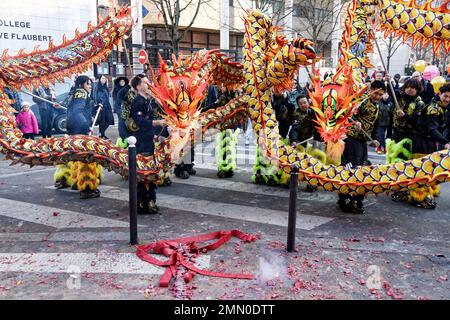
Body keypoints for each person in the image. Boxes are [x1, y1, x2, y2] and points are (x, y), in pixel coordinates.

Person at [337, 80, 385, 214]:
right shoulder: (361, 101)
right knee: (349, 168)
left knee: (362, 168)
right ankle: (345, 198)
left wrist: (376, 139)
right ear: (370, 90)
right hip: (352, 139)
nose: (377, 96)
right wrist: (354, 120)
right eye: (376, 93)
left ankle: (357, 198)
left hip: (362, 141)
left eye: (380, 95)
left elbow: (376, 125)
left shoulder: (378, 106)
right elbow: (345, 113)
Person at [61, 75, 102, 199]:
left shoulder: (74, 93)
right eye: (88, 84)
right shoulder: (81, 93)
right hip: (80, 129)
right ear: (82, 84)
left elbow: (77, 109)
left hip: (74, 128)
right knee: (86, 158)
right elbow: (77, 111)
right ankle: (86, 188)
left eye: (90, 84)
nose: (90, 86)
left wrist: (94, 108)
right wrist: (86, 126)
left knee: (77, 156)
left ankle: (76, 182)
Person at [130, 75, 165, 214]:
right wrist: (157, 123)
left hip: (148, 139)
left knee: (150, 171)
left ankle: (149, 200)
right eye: (146, 82)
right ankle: (143, 202)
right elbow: (139, 122)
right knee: (144, 172)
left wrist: (154, 135)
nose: (149, 84)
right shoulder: (137, 102)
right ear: (138, 86)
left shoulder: (147, 100)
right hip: (141, 142)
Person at [93, 75, 114, 139]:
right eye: (102, 78)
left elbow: (108, 96)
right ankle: (102, 134)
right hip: (101, 106)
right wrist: (98, 104)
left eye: (105, 78)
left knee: (109, 120)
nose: (104, 79)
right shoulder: (97, 86)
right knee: (102, 121)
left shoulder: (105, 87)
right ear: (99, 79)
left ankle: (101, 132)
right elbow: (95, 96)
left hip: (107, 105)